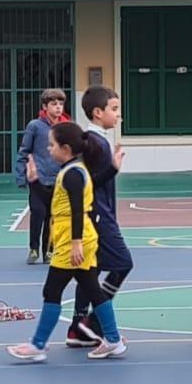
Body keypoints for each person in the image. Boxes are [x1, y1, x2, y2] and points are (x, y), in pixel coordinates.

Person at [7, 122, 125, 362]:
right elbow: (53, 202)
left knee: (52, 290)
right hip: (77, 238)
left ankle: (37, 345)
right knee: (92, 288)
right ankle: (113, 339)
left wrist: (76, 243)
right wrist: (35, 181)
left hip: (73, 239)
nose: (48, 150)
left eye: (52, 145)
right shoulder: (73, 170)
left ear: (66, 148)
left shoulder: (72, 173)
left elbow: (78, 209)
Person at [67, 86, 131, 349]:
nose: (119, 115)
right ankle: (92, 323)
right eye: (114, 109)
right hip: (98, 216)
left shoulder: (96, 141)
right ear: (97, 112)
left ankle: (78, 327)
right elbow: (86, 184)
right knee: (122, 264)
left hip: (98, 214)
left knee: (90, 270)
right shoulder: (95, 143)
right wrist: (113, 170)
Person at [18, 89, 72, 265]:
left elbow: (71, 153)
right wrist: (21, 176)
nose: (58, 107)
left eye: (60, 104)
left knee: (53, 217)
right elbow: (24, 151)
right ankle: (33, 248)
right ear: (45, 106)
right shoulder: (35, 126)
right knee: (38, 213)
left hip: (58, 180)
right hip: (38, 179)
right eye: (54, 104)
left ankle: (49, 251)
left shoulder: (66, 127)